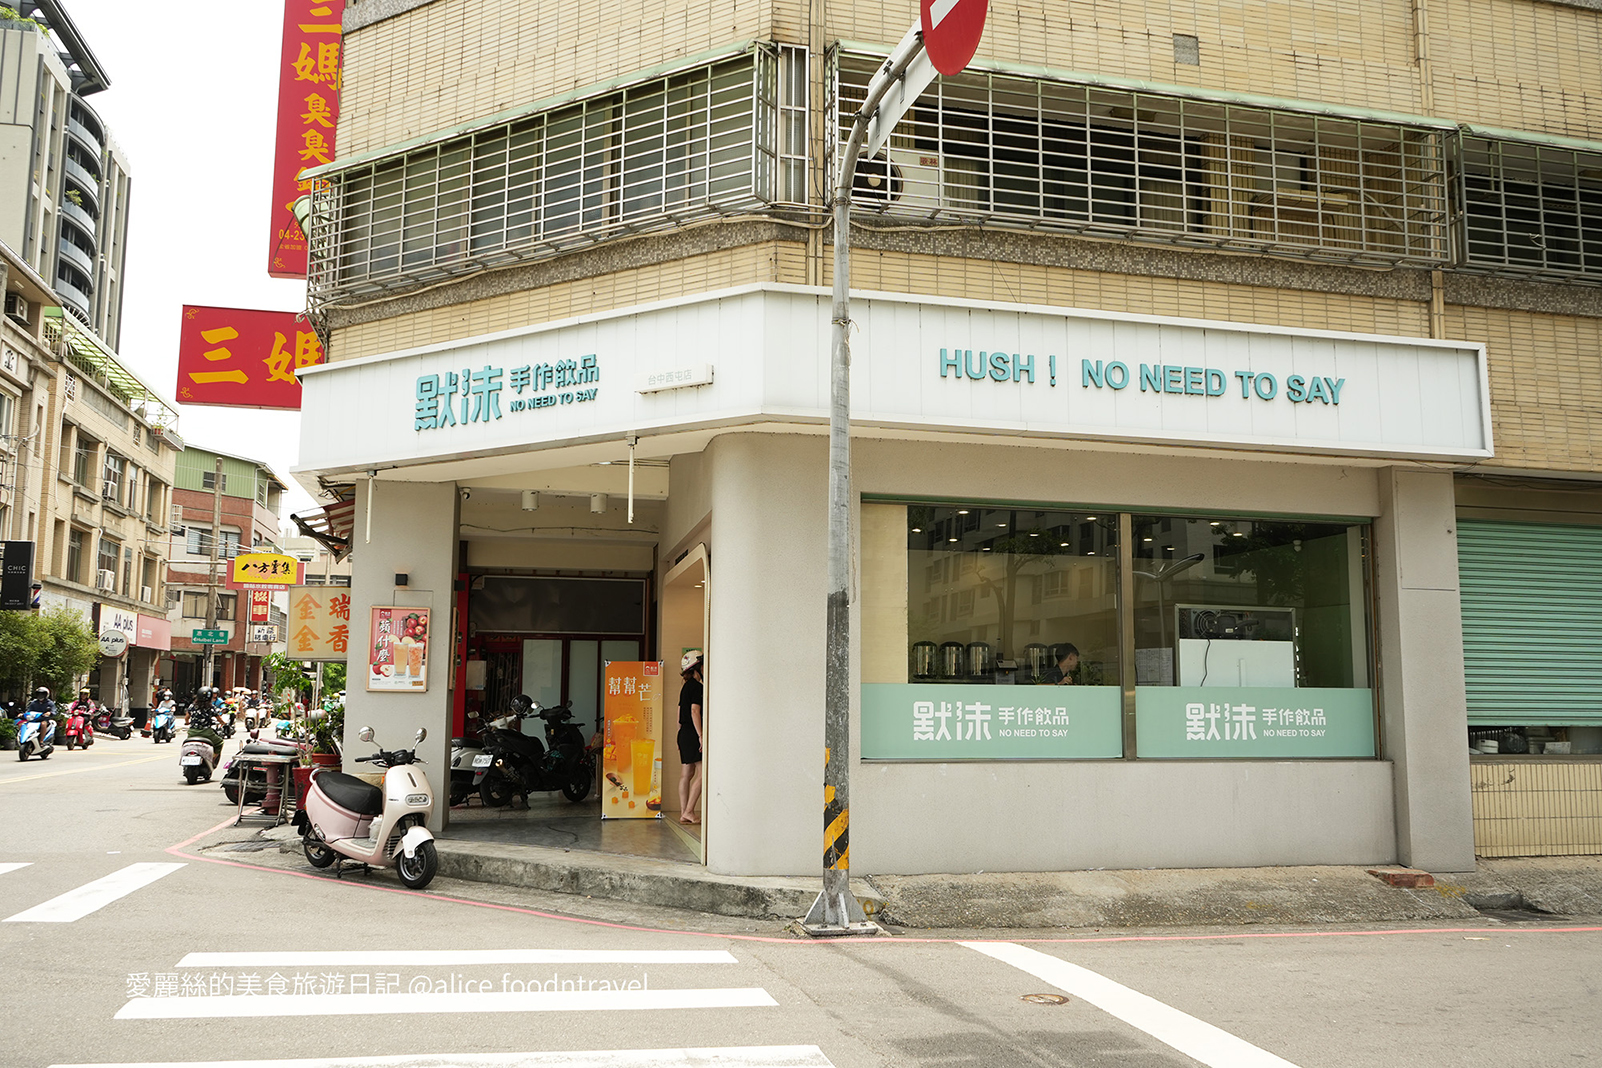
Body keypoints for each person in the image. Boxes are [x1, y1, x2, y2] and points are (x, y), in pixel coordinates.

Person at [676, 650, 705, 825]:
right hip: (693, 732)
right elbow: (695, 711)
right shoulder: (697, 687)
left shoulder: (685, 688)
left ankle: (683, 812)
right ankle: (689, 811)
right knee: (702, 773)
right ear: (697, 668)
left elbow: (679, 711)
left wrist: (678, 734)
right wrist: (701, 735)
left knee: (686, 774)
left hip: (683, 732)